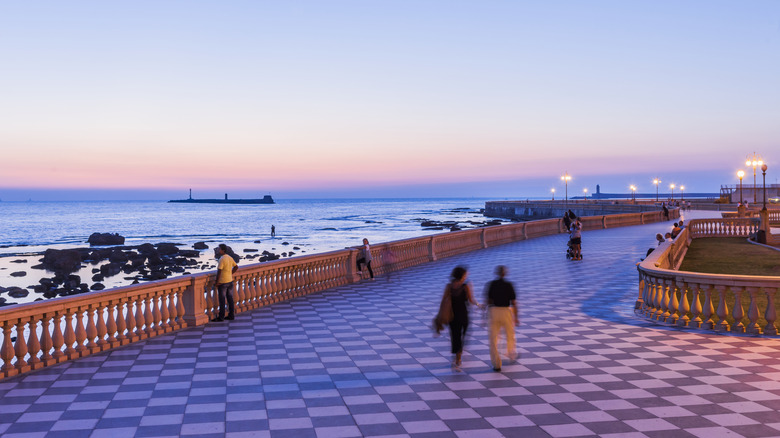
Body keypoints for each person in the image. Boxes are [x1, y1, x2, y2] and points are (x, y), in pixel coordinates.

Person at [441, 266, 480, 369]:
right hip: (463, 315)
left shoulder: (449, 286)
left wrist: (441, 313)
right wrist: (478, 304)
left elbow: (444, 300)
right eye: (465, 274)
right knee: (463, 335)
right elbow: (471, 300)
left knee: (455, 336)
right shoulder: (466, 286)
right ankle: (459, 356)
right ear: (462, 275)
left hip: (452, 316)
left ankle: (457, 356)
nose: (467, 275)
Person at [484, 266, 518, 372]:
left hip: (493, 311)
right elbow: (514, 303)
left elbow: (488, 301)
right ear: (504, 274)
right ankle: (510, 351)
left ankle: (496, 364)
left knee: (493, 339)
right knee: (510, 334)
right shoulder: (509, 285)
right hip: (506, 311)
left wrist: (484, 316)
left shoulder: (491, 285)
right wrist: (516, 317)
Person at [213, 243, 238, 322]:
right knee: (230, 299)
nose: (218, 250)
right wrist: (230, 273)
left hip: (223, 282)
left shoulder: (222, 259)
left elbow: (219, 271)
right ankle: (231, 315)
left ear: (223, 250)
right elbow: (236, 267)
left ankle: (221, 317)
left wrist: (217, 282)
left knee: (222, 300)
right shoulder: (230, 258)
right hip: (230, 281)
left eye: (219, 249)